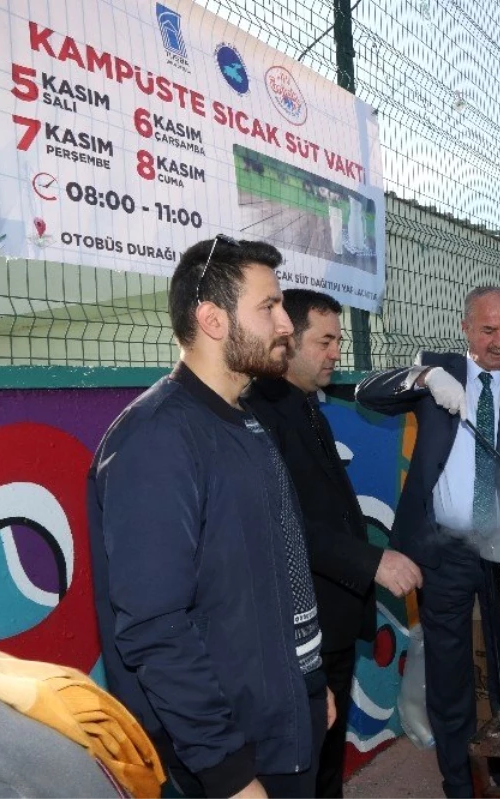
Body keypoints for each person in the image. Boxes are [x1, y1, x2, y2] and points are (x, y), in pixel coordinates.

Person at [88, 236, 337, 799]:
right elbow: (155, 628)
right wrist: (227, 774)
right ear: (213, 319)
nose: (284, 326)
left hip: (285, 719)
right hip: (232, 754)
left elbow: (277, 569)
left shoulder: (244, 420)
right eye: (268, 307)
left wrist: (308, 679)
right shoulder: (156, 439)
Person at [354, 286, 500, 799]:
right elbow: (369, 392)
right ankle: (460, 782)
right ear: (466, 328)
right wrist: (425, 376)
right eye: (488, 330)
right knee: (450, 677)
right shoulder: (438, 368)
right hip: (441, 550)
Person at [244, 289, 423, 798]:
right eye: (325, 341)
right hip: (302, 627)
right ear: (288, 339)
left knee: (325, 762)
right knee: (302, 766)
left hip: (334, 622)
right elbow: (284, 524)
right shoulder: (262, 411)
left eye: (338, 340)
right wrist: (371, 562)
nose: (335, 353)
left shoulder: (304, 405)